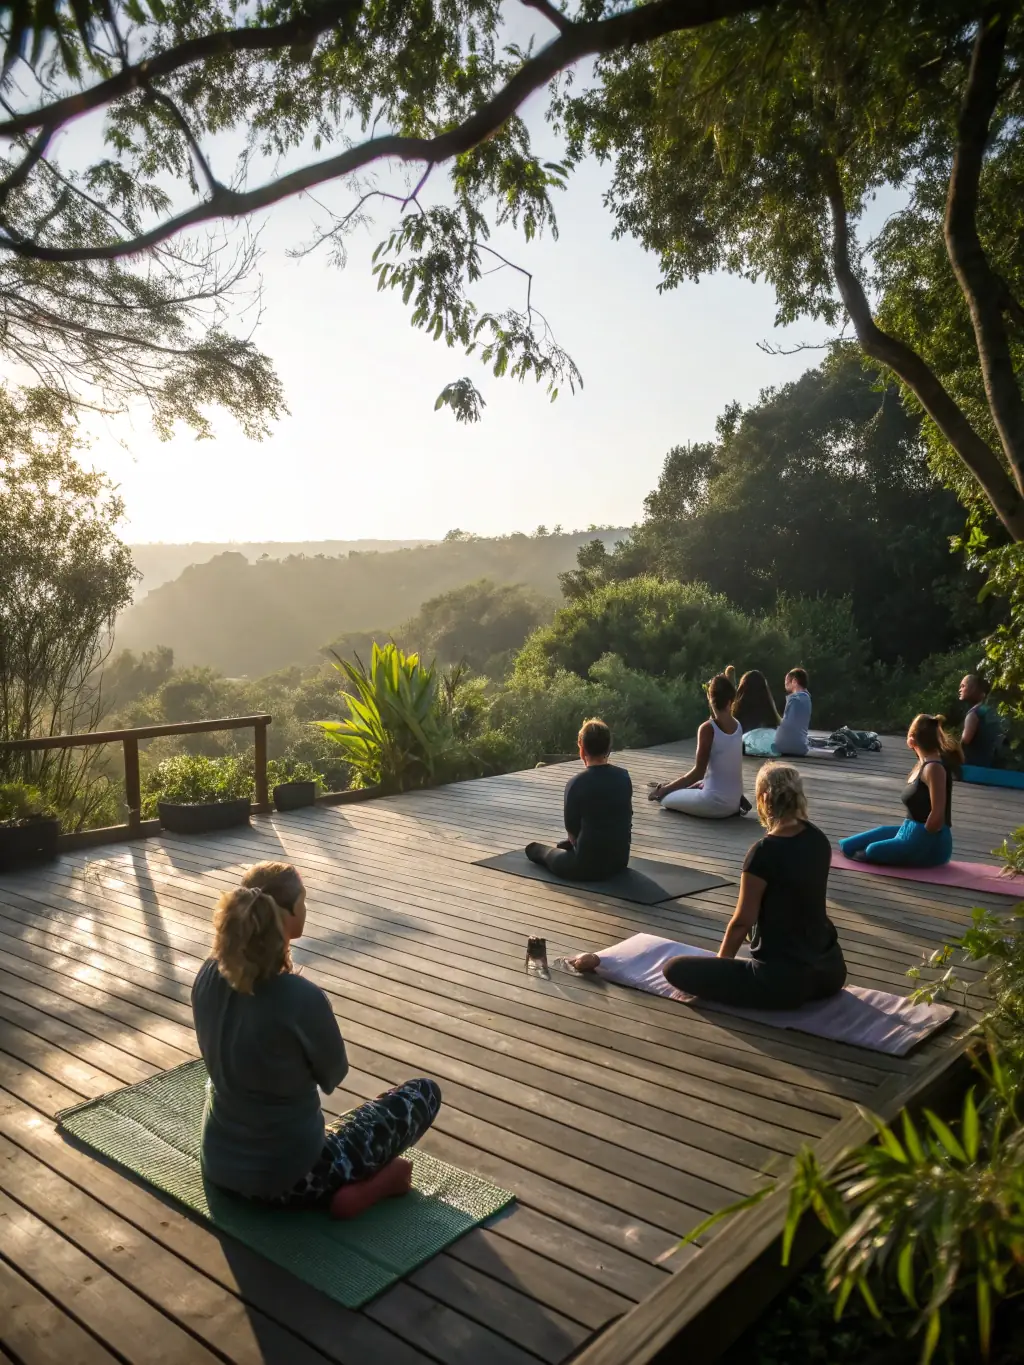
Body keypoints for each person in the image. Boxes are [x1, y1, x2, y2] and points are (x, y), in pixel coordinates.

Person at [191, 861, 441, 1217]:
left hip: (220, 1166)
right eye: (303, 901)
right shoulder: (299, 997)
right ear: (288, 914)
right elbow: (333, 1075)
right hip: (292, 1178)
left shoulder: (207, 973)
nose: (306, 908)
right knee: (423, 1093)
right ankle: (367, 1187)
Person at [570, 764, 846, 1010]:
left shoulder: (763, 852)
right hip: (831, 972)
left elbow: (742, 921)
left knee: (675, 969)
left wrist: (720, 968)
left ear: (764, 799)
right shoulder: (818, 839)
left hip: (784, 984)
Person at [839, 715, 962, 867]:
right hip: (909, 828)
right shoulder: (924, 762)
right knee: (849, 845)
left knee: (872, 850)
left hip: (932, 841)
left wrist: (915, 843)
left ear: (911, 740)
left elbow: (937, 818)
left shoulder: (934, 768)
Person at [525, 717, 632, 879]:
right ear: (608, 748)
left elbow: (572, 831)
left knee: (535, 850)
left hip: (584, 866)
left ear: (582, 749)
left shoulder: (576, 783)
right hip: (619, 861)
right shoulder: (624, 777)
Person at [649, 673, 747, 818]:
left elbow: (698, 773)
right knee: (696, 784)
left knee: (666, 799)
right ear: (730, 701)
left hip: (714, 803)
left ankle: (667, 790)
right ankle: (681, 788)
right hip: (735, 803)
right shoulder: (738, 726)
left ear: (709, 698)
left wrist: (663, 791)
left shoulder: (708, 728)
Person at [959, 674, 1004, 768]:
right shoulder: (989, 710)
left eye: (963, 686)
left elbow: (965, 741)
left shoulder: (973, 714)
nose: (960, 690)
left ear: (973, 689)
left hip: (975, 768)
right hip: (992, 766)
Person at [773, 668, 812, 756]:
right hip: (801, 749)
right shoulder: (807, 699)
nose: (785, 686)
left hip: (782, 747)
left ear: (794, 681)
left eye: (786, 683)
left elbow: (786, 724)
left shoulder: (794, 698)